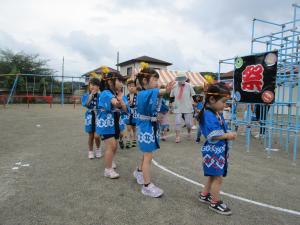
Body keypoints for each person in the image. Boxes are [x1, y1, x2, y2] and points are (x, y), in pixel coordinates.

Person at [133, 65, 175, 197]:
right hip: (145, 126)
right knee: (148, 156)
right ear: (145, 81)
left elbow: (161, 107)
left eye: (157, 81)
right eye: (154, 80)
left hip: (150, 125)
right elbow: (156, 93)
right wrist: (165, 90)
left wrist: (165, 101)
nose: (157, 83)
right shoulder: (142, 94)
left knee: (146, 153)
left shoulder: (150, 94)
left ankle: (139, 172)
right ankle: (147, 186)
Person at [198, 83, 237, 215]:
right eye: (224, 102)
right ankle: (215, 202)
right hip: (213, 151)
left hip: (217, 151)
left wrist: (227, 132)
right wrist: (228, 135)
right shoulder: (208, 114)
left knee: (212, 176)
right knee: (217, 178)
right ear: (212, 100)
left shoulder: (214, 112)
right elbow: (213, 135)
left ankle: (204, 195)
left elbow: (219, 129)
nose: (225, 105)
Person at [96, 69, 128, 179]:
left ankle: (110, 161)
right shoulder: (106, 93)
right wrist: (120, 101)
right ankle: (108, 170)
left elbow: (125, 109)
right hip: (106, 123)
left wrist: (121, 101)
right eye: (119, 81)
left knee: (115, 146)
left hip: (115, 122)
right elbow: (116, 104)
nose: (121, 83)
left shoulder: (118, 93)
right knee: (111, 145)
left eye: (122, 81)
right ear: (110, 82)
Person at [169, 73, 196, 143]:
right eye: (179, 79)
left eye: (182, 79)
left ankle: (189, 132)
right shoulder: (174, 86)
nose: (181, 81)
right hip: (177, 106)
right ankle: (177, 136)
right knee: (177, 122)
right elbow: (171, 97)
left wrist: (196, 102)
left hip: (187, 106)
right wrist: (170, 107)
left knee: (188, 123)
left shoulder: (189, 86)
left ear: (184, 79)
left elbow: (194, 95)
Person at [81, 78, 102, 159]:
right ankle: (90, 151)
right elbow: (86, 104)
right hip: (90, 116)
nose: (94, 87)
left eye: (96, 85)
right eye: (92, 85)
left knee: (97, 135)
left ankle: (98, 148)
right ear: (89, 86)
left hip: (99, 116)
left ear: (99, 87)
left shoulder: (100, 96)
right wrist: (91, 95)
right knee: (91, 135)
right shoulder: (86, 95)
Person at [125, 79, 138, 148]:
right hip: (128, 114)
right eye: (130, 86)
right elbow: (124, 105)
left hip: (135, 114)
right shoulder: (126, 96)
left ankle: (134, 139)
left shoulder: (137, 95)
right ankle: (127, 141)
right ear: (127, 87)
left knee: (134, 128)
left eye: (133, 86)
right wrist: (127, 104)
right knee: (128, 128)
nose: (131, 87)